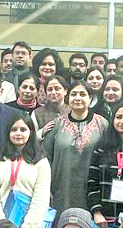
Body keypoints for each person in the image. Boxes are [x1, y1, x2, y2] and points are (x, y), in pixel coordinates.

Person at [43, 81, 109, 214]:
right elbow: (45, 158)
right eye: (74, 94)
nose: (78, 98)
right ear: (68, 98)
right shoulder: (57, 124)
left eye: (82, 94)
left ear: (90, 98)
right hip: (62, 188)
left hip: (93, 190)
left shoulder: (102, 124)